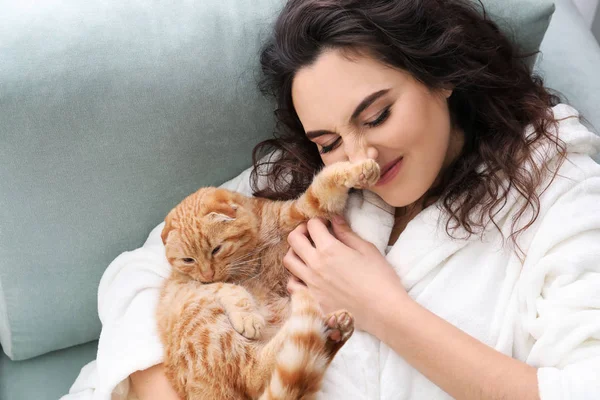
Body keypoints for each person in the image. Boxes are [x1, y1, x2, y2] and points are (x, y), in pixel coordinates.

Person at [64, 0, 600, 399]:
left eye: (377, 115)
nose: (359, 156)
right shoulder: (310, 175)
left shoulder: (560, 192)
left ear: (440, 74)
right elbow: (139, 271)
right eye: (330, 141)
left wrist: (383, 311)